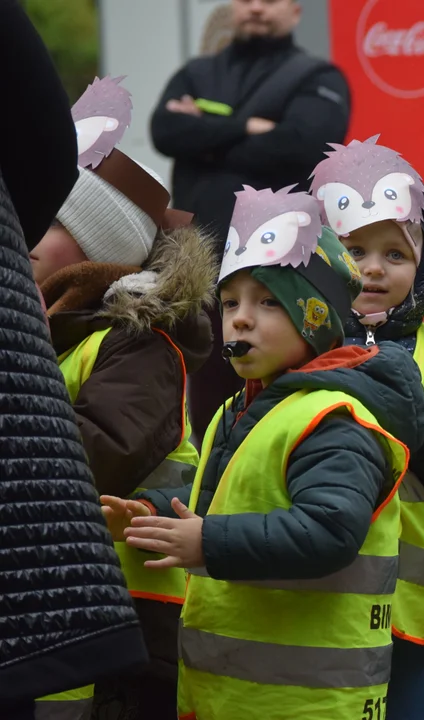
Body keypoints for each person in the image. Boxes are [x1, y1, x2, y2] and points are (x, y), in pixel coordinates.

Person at [101, 186, 424, 719]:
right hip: (234, 695)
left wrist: (207, 542)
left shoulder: (333, 419)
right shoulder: (242, 408)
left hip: (307, 703)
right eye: (230, 303)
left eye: (269, 302)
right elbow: (228, 495)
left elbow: (329, 531)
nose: (241, 320)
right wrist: (156, 514)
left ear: (317, 316)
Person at [29, 75, 216, 720]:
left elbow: (95, 453)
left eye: (45, 220)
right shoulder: (47, 329)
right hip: (57, 616)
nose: (21, 232)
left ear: (97, 249)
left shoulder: (140, 345)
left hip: (125, 634)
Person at [310, 138, 424, 719]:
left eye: (395, 254)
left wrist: (415, 418)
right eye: (355, 249)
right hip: (321, 605)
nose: (373, 268)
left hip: (415, 618)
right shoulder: (295, 348)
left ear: (423, 262)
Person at [0, 3, 147, 718]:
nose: (31, 242)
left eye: (55, 229)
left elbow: (112, 441)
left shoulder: (134, 340)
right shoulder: (43, 335)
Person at [150, 0, 352, 444]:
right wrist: (253, 128)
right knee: (199, 400)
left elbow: (303, 145)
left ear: (296, 10)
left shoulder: (318, 77)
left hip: (280, 275)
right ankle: (206, 490)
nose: (256, 7)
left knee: (275, 394)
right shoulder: (197, 73)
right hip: (196, 267)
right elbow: (165, 132)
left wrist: (206, 134)